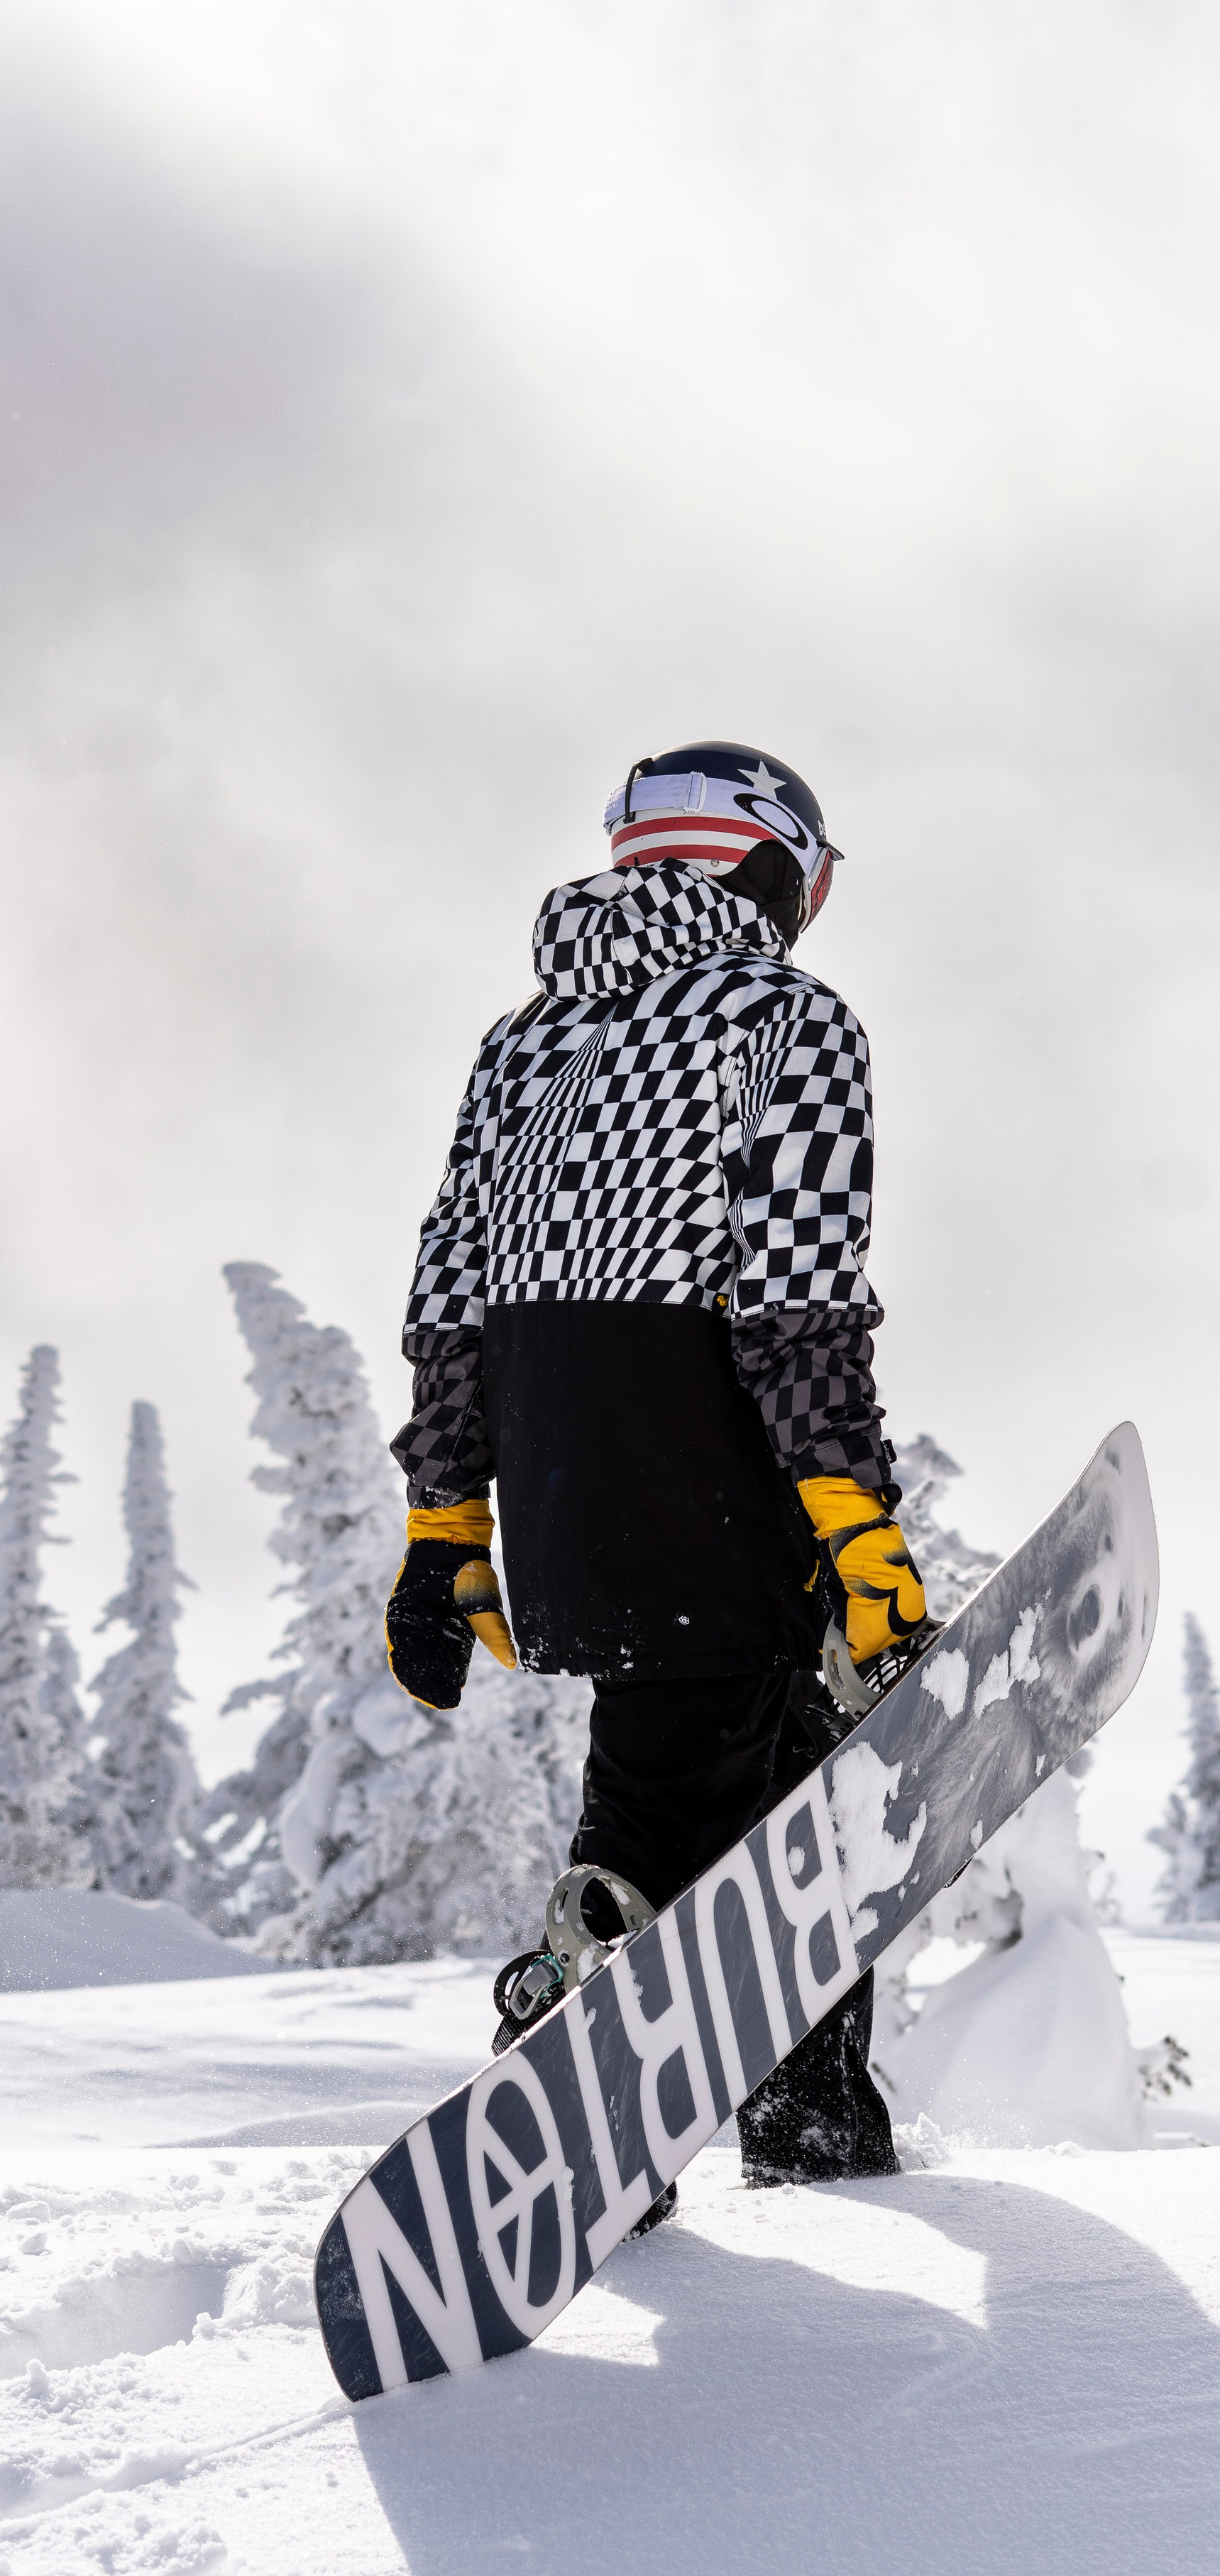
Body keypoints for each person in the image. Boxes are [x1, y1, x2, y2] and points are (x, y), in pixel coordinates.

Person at [380, 741, 927, 2196]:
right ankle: (563, 2072)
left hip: (559, 1470)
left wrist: (446, 1520)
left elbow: (447, 1285)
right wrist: (855, 1528)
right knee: (668, 1807)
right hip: (713, 1456)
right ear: (765, 860)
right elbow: (796, 1292)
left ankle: (814, 2119)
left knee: (788, 1787)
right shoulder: (785, 1020)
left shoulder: (526, 1037)